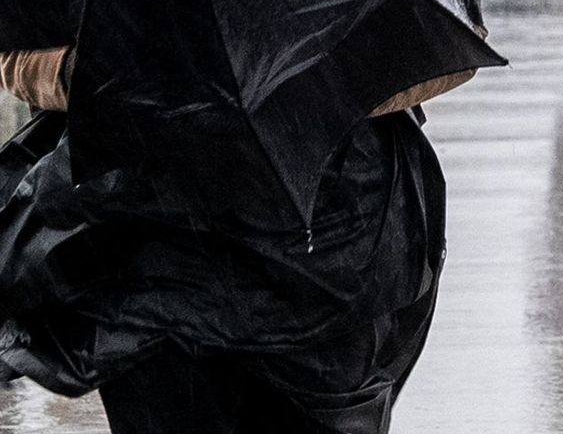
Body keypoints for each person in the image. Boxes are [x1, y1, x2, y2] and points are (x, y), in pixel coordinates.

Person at [0, 48, 461, 432]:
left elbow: (444, 51)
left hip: (333, 244)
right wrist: (117, 71)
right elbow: (18, 57)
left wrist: (302, 75)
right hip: (149, 250)